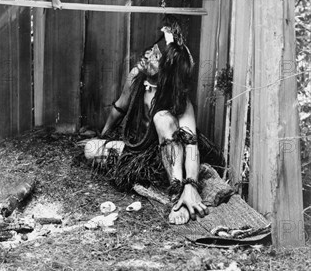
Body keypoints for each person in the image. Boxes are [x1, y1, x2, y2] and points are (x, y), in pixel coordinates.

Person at [84, 16, 224, 225]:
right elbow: (120, 108)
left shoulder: (179, 100)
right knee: (91, 148)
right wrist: (104, 135)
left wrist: (190, 186)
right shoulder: (136, 77)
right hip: (141, 154)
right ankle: (153, 179)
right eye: (151, 50)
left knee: (161, 118)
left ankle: (178, 195)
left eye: (155, 56)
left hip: (170, 157)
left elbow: (192, 145)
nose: (147, 54)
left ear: (166, 69)